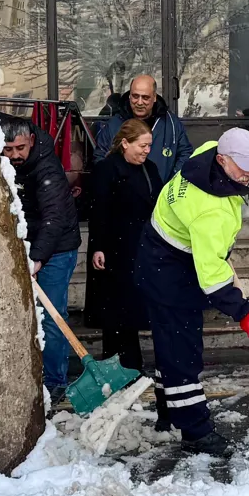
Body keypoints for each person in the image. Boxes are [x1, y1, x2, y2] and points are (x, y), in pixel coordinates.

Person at [134, 128, 249, 455]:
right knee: (182, 352)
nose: (248, 173)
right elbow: (213, 279)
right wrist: (243, 311)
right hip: (170, 273)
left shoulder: (206, 153)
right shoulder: (211, 212)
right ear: (222, 160)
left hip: (158, 255)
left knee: (170, 344)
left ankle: (168, 413)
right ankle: (195, 431)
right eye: (242, 166)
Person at [1, 115, 81, 404]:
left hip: (56, 248)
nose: (15, 155)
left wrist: (37, 260)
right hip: (26, 243)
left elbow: (53, 218)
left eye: (20, 148)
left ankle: (55, 381)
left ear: (32, 141)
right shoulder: (3, 158)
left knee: (51, 316)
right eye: (8, 149)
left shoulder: (47, 168)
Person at [88, 119, 164, 372]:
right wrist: (99, 246)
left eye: (149, 145)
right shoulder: (107, 169)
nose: (147, 150)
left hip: (141, 246)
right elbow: (99, 210)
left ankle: (131, 365)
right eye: (142, 145)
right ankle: (119, 366)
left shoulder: (149, 168)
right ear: (125, 143)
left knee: (132, 309)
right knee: (116, 312)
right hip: (115, 248)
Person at [94, 75, 194, 183]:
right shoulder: (114, 125)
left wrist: (172, 183)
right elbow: (100, 158)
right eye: (135, 96)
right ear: (129, 96)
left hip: (164, 190)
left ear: (154, 97)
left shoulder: (171, 124)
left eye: (145, 97)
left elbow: (185, 154)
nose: (139, 102)